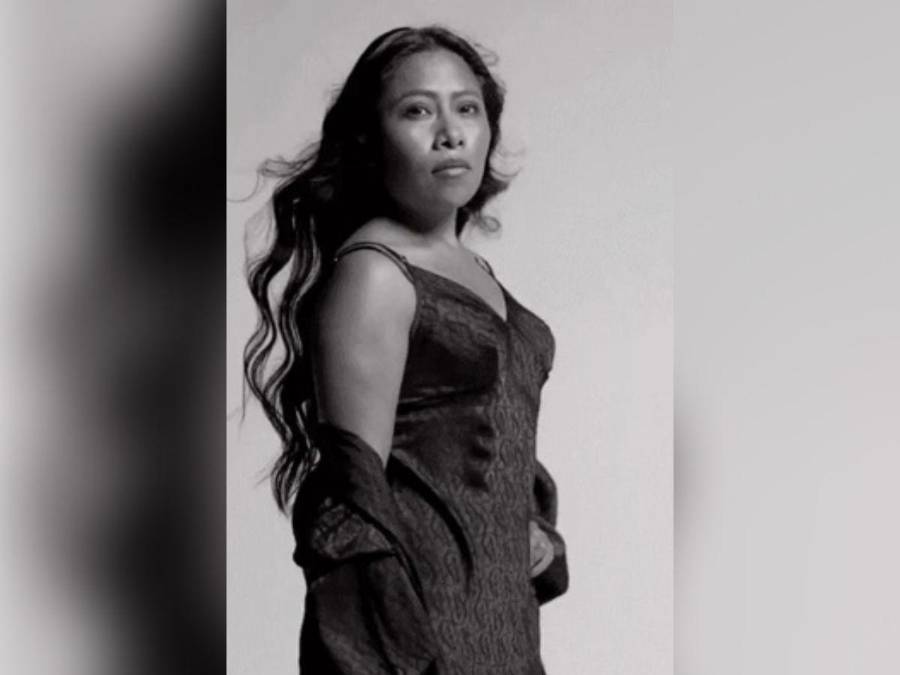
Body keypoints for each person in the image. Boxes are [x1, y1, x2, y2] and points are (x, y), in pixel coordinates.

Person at [244, 25, 568, 674]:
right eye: (417, 111)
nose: (450, 132)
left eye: (467, 108)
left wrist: (530, 527)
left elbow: (478, 444)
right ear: (371, 139)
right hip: (424, 636)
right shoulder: (376, 274)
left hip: (502, 625)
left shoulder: (471, 268)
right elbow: (353, 498)